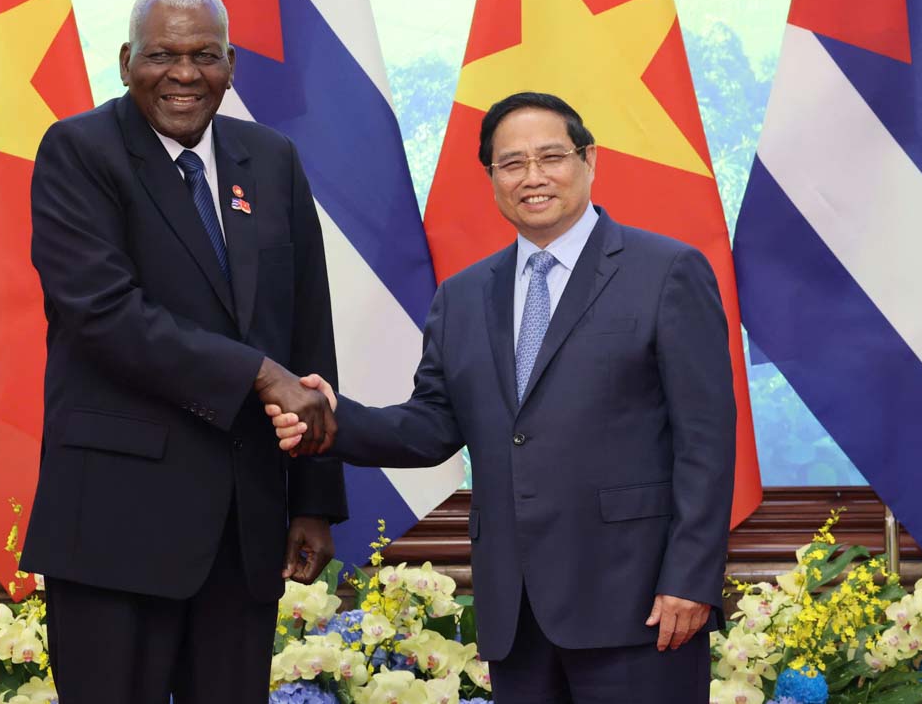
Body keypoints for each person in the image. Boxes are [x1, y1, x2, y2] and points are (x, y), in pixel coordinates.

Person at [273, 92, 735, 704]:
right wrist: (333, 420)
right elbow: (432, 426)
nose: (533, 177)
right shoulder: (462, 296)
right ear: (491, 176)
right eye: (511, 163)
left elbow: (706, 440)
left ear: (588, 159)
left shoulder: (667, 271)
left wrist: (690, 579)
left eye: (551, 156)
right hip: (516, 613)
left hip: (640, 603)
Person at [20, 0, 347, 703]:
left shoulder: (272, 158)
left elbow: (307, 329)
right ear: (125, 60)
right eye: (161, 53)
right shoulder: (79, 151)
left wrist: (315, 497)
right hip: (115, 522)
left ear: (231, 64)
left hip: (244, 522)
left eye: (204, 54)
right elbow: (104, 314)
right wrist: (259, 374)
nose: (184, 72)